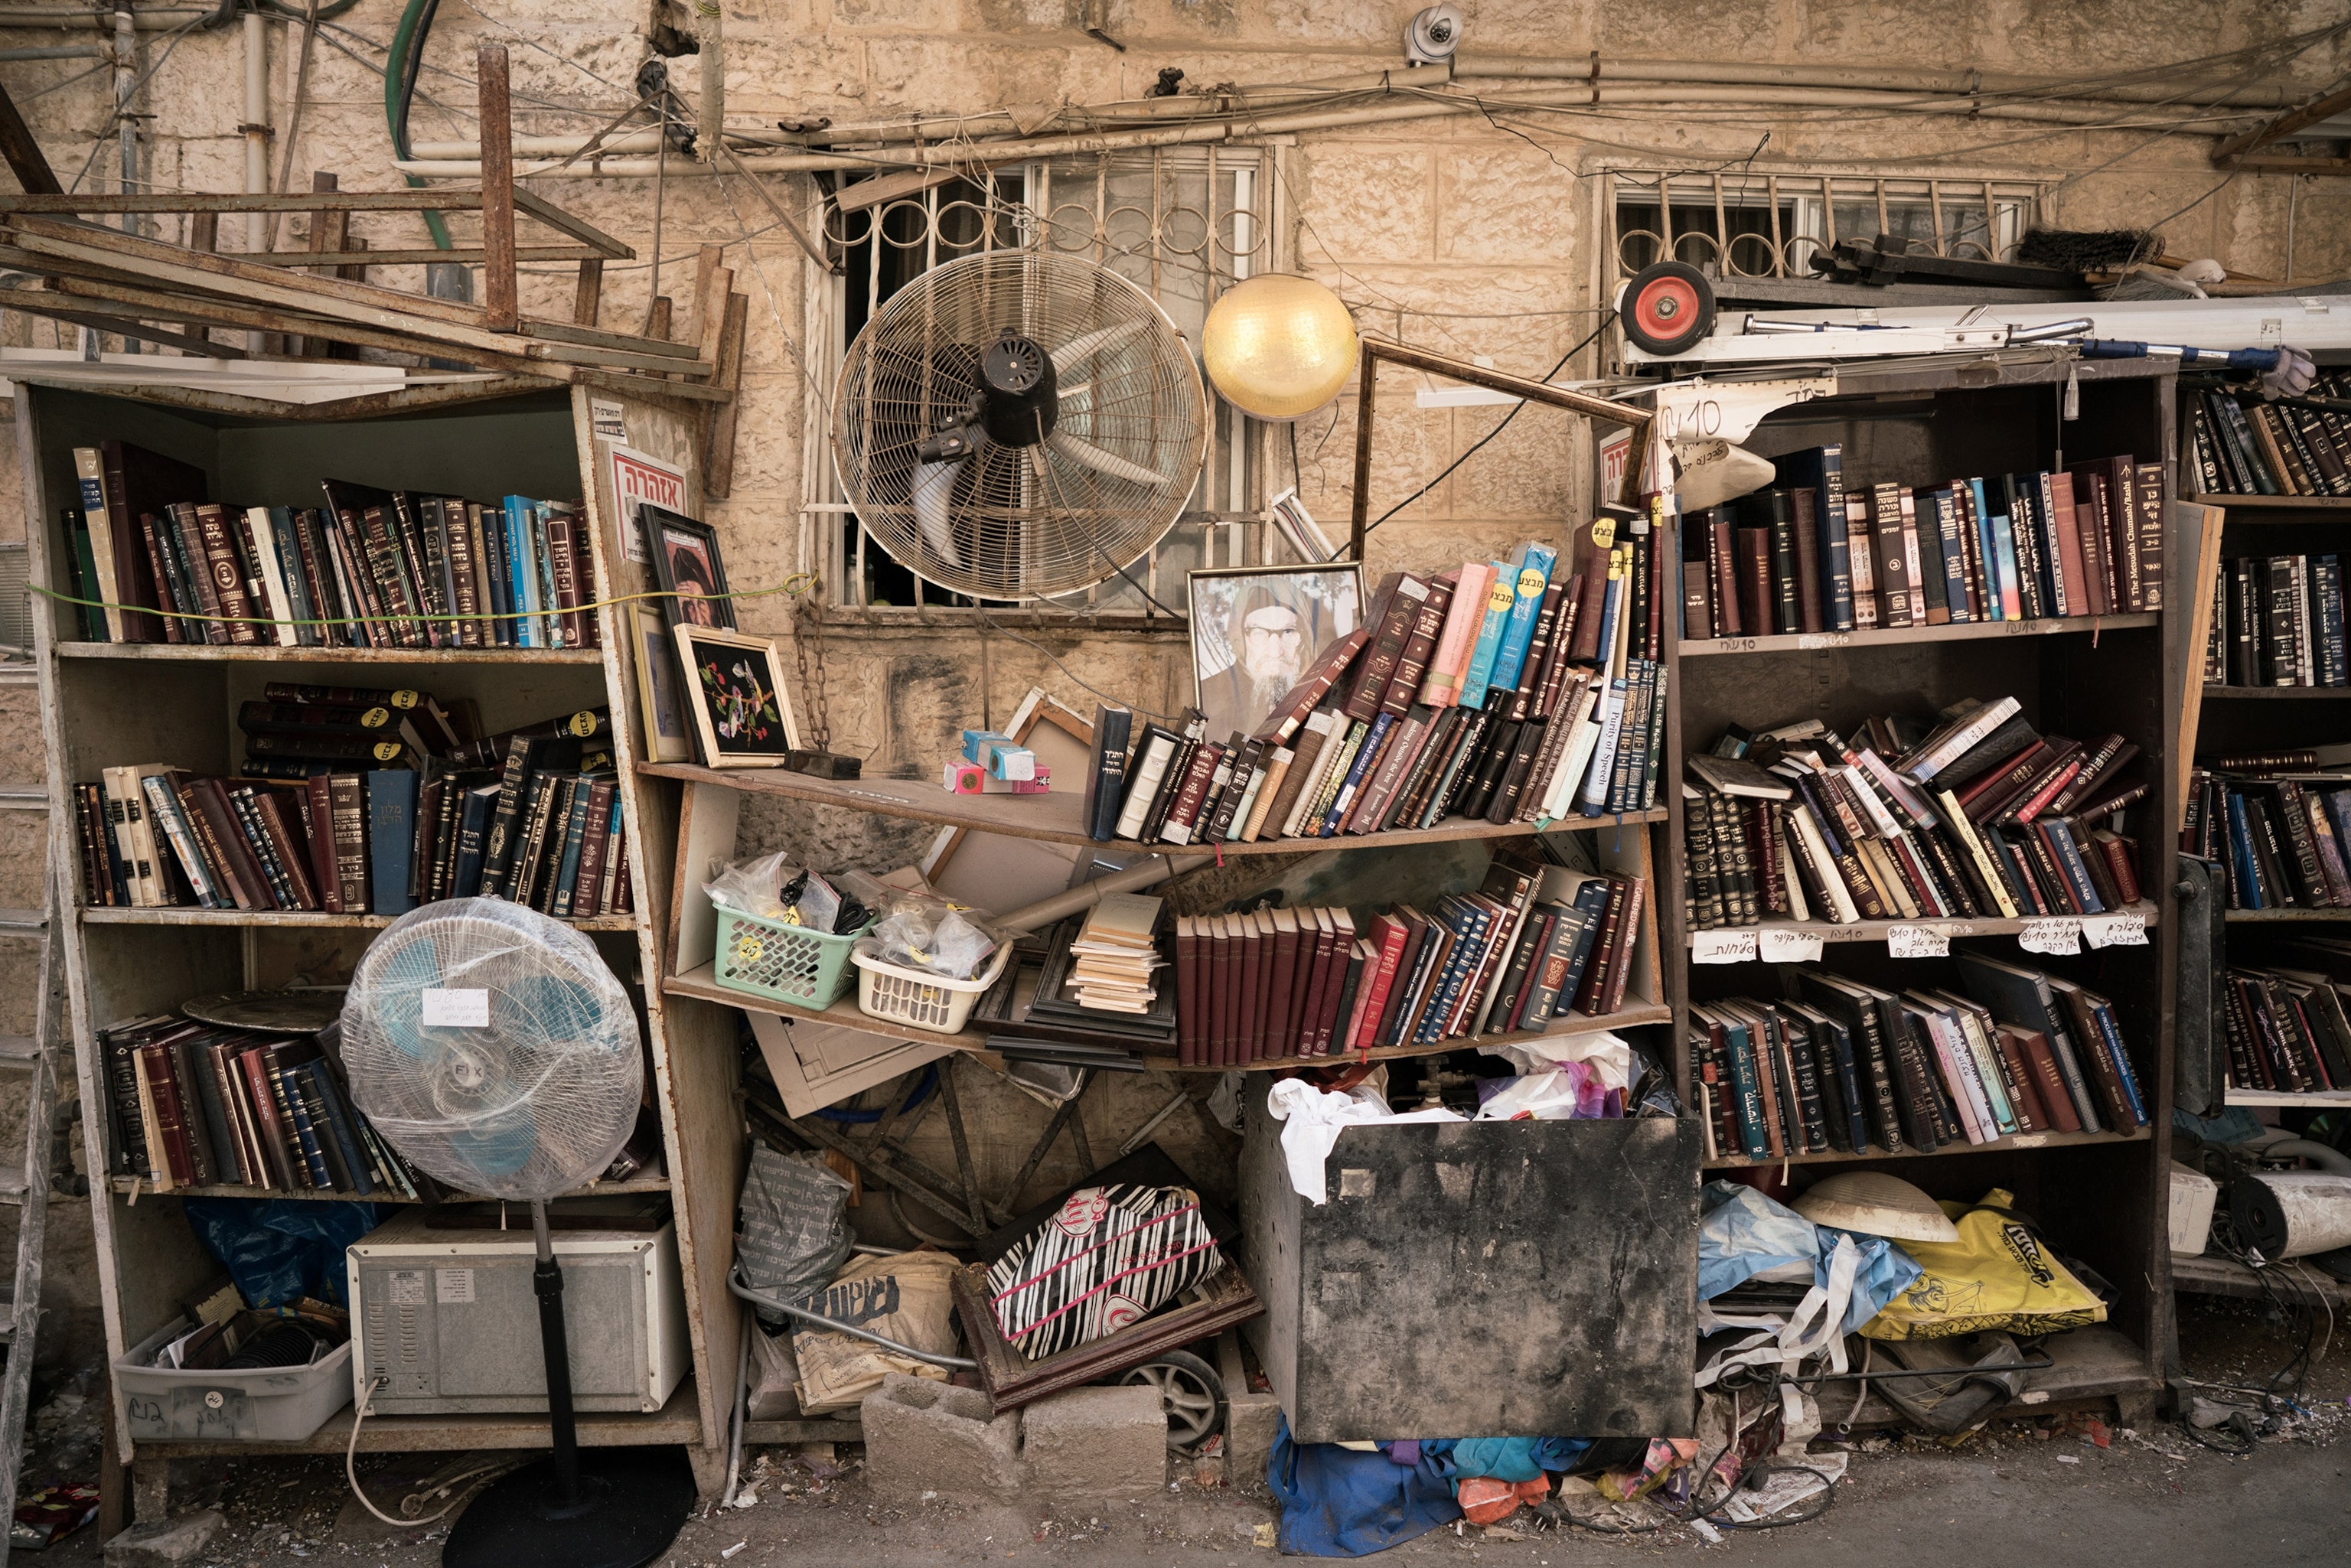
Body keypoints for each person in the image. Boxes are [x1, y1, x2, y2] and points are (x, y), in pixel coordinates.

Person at [1199, 584, 1310, 739]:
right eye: (1258, 633)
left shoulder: (1314, 690)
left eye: (1288, 632)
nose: (1275, 652)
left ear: (1303, 639)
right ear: (1240, 639)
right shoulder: (1208, 694)